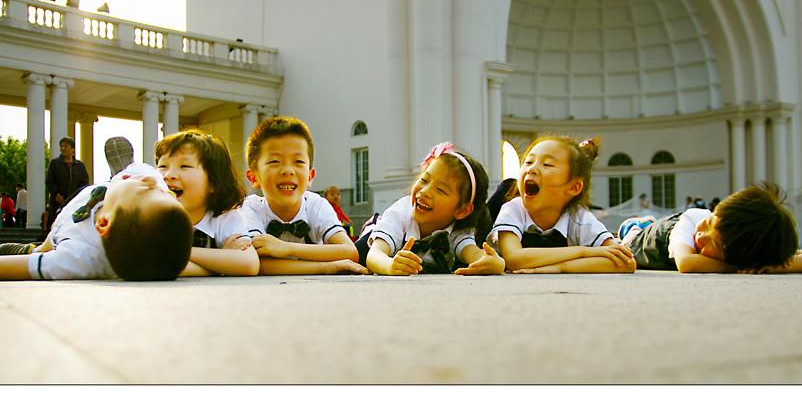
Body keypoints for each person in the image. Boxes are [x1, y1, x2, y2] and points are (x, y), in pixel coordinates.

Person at [0, 161, 194, 283]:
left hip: (61, 237)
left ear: (105, 222)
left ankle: (33, 249)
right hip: (84, 208)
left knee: (42, 250)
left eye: (146, 190)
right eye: (166, 192)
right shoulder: (144, 179)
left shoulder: (80, 260)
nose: (152, 180)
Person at [488, 136, 636, 274]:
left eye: (547, 164)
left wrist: (558, 267)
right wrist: (584, 252)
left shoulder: (577, 216)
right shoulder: (514, 209)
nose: (531, 169)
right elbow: (514, 258)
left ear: (573, 187)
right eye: (528, 162)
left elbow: (627, 262)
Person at [239, 117, 368, 275]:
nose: (288, 170)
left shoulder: (316, 205)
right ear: (253, 177)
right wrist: (325, 267)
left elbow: (349, 251)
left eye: (298, 161)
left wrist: (286, 248)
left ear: (309, 177)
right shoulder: (251, 208)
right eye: (274, 161)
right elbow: (258, 263)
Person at [617, 182, 802, 274]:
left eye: (715, 244)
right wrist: (740, 266)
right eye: (711, 223)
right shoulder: (693, 219)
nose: (702, 236)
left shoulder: (744, 244)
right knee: (626, 235)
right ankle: (641, 223)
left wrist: (770, 264)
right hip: (639, 239)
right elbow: (686, 263)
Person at [358, 142, 502, 276]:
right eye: (424, 180)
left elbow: (474, 254)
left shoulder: (458, 230)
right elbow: (374, 254)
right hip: (372, 238)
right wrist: (389, 265)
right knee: (355, 254)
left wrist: (496, 263)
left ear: (462, 211)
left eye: (440, 190)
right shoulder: (400, 214)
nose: (425, 191)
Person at [153, 129, 260, 277]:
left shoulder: (224, 219)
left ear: (214, 183)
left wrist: (179, 253)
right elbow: (152, 264)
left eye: (185, 166)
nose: (168, 175)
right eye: (162, 166)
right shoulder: (150, 216)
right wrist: (221, 262)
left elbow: (249, 264)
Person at [45, 136, 91, 235]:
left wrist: (76, 197)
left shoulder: (80, 165)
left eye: (66, 146)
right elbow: (49, 181)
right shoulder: (54, 163)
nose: (63, 148)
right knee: (54, 229)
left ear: (73, 149)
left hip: (73, 205)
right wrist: (56, 194)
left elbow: (84, 183)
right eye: (61, 146)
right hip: (56, 204)